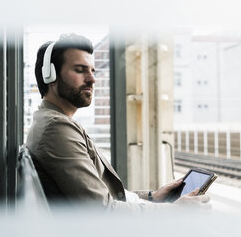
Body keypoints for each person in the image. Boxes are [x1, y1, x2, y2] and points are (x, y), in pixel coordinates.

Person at [26, 33, 210, 211]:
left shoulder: (51, 120)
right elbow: (101, 209)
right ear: (49, 75)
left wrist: (153, 196)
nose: (92, 79)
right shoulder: (56, 128)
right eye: (80, 70)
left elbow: (104, 196)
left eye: (92, 70)